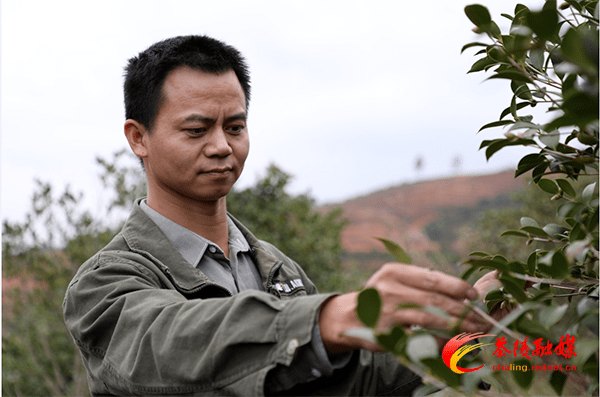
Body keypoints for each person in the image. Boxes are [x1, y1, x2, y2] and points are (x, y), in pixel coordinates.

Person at [63, 35, 499, 396]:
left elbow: (349, 380)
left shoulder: (272, 265)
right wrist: (327, 318)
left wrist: (468, 333)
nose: (221, 146)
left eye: (235, 127)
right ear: (138, 138)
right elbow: (169, 345)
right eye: (196, 130)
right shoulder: (106, 283)